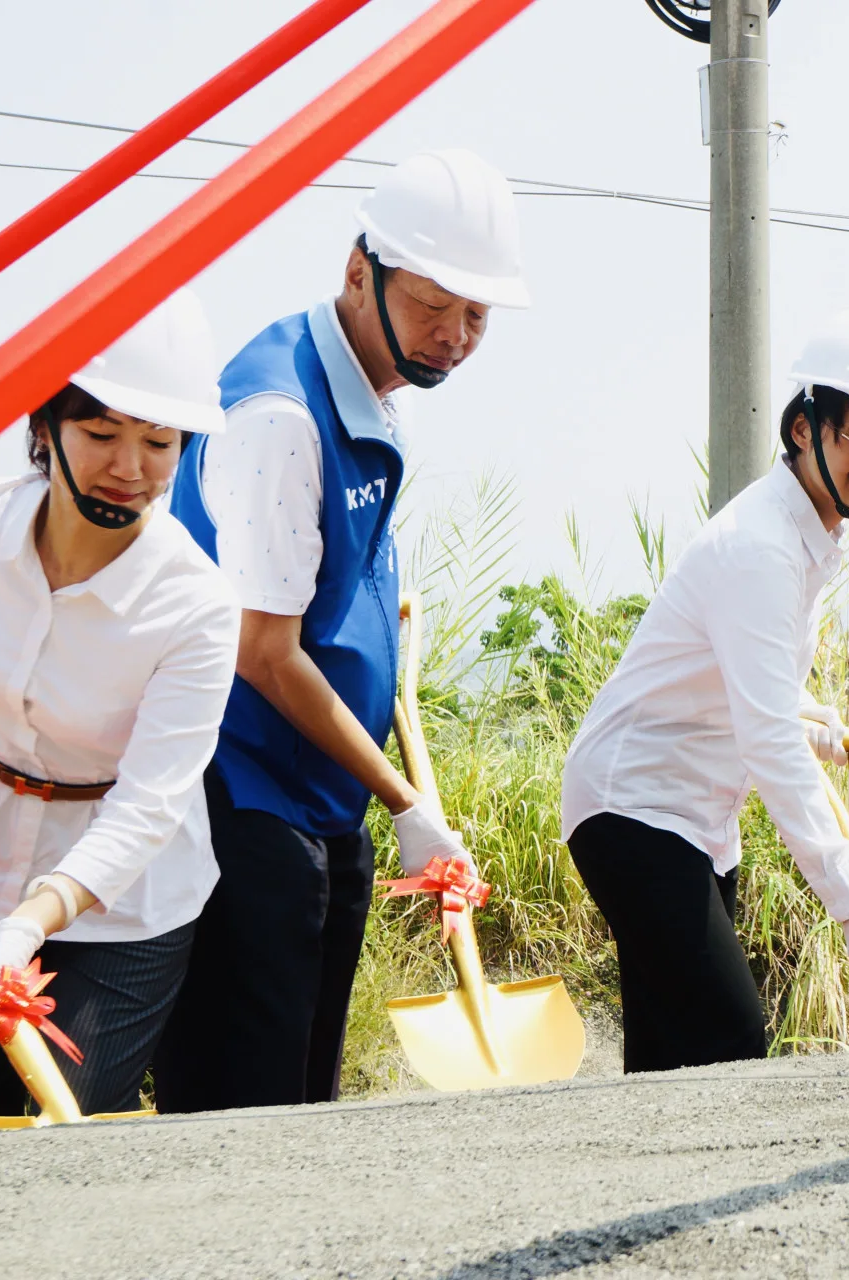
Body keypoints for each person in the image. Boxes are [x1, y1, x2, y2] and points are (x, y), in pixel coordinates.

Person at [154, 150, 529, 1111]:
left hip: (319, 793)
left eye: (477, 316)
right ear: (360, 271)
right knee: (250, 1104)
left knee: (307, 1100)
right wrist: (407, 803)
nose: (454, 337)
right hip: (245, 793)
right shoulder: (280, 412)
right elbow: (263, 650)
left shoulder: (367, 389)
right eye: (434, 306)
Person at [561, 302, 849, 1073]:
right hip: (636, 806)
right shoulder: (763, 547)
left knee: (673, 1058)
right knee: (726, 1040)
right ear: (805, 428)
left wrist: (802, 717)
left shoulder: (805, 535)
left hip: (693, 819)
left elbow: (744, 684)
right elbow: (767, 741)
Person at [0, 291, 238, 1118]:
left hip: (122, 907)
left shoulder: (196, 605)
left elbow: (149, 803)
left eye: (158, 442)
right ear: (44, 426)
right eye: (101, 432)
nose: (130, 467)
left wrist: (29, 922)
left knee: (57, 1124)